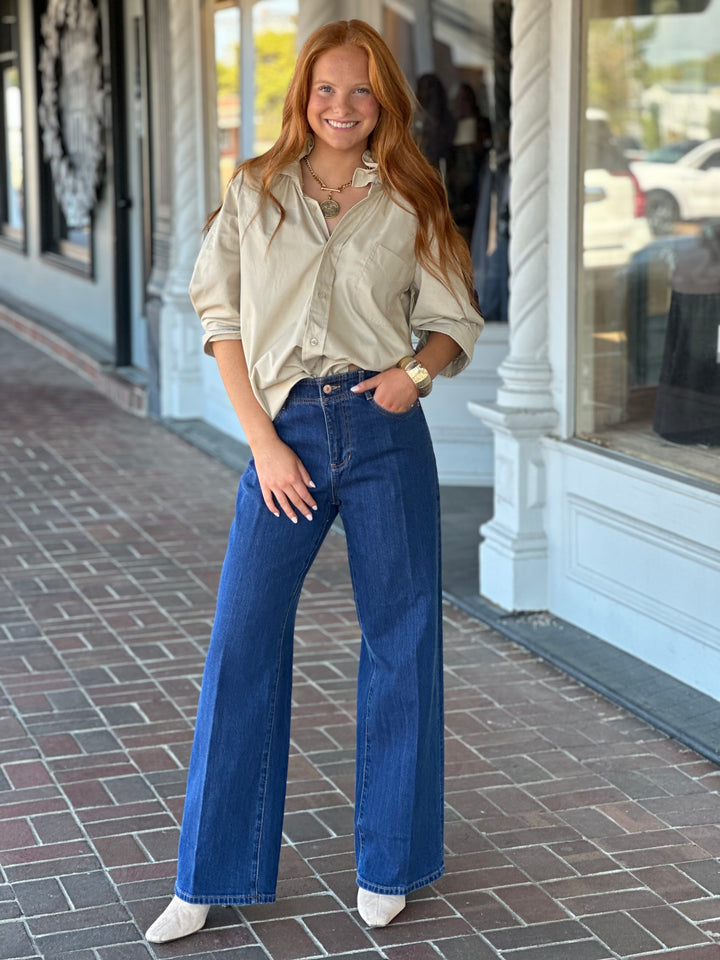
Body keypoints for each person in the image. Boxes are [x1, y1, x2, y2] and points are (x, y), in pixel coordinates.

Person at [145, 18, 483, 944]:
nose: (342, 106)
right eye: (327, 89)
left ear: (386, 103)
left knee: (401, 639)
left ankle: (391, 861)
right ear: (302, 94)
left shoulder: (412, 195)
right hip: (284, 430)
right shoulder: (255, 192)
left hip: (383, 431)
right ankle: (208, 872)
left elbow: (455, 318)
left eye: (362, 91)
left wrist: (413, 379)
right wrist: (262, 442)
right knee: (243, 640)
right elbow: (222, 323)